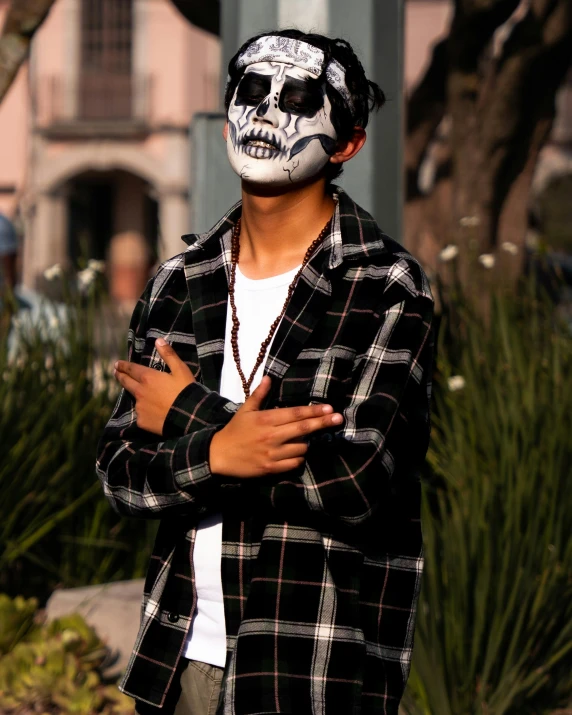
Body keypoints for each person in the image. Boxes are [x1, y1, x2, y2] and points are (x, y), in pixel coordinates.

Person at [97, 29, 434, 715]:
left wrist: (196, 425)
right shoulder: (177, 282)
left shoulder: (386, 286)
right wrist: (228, 449)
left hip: (311, 665)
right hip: (178, 658)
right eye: (251, 89)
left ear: (348, 143)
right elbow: (119, 469)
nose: (268, 112)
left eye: (301, 97)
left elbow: (354, 478)